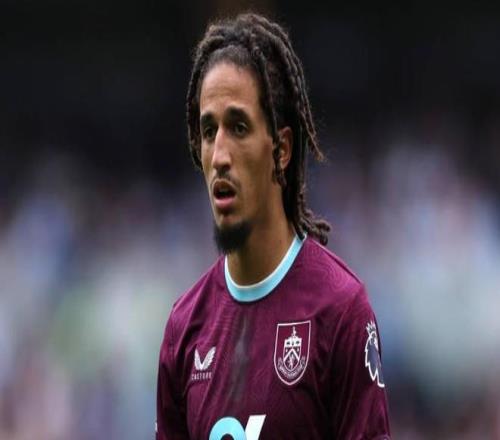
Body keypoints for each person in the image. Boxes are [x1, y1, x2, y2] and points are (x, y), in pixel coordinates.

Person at [156, 12, 390, 439]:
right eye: (208, 131)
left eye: (238, 127)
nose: (219, 155)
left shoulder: (339, 311)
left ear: (281, 149)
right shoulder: (184, 328)